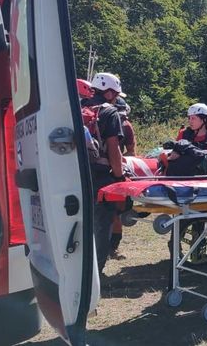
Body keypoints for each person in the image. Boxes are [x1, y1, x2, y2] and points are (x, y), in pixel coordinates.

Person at [87, 72, 127, 275]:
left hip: (74, 173)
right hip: (100, 176)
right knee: (101, 225)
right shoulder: (109, 113)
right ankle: (96, 272)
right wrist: (119, 177)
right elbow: (113, 148)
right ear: (110, 92)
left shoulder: (77, 107)